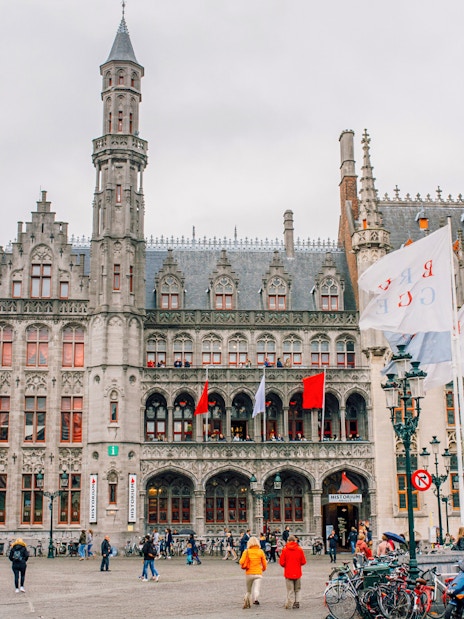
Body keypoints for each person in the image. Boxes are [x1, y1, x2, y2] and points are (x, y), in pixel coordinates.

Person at [279, 534, 307, 609]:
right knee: (297, 589)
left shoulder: (284, 550)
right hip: (297, 572)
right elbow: (303, 562)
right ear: (295, 541)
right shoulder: (299, 549)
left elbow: (282, 563)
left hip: (288, 572)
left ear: (288, 541)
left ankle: (290, 603)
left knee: (290, 589)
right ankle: (297, 602)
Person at [239, 536, 267, 608]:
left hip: (249, 573)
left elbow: (241, 561)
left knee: (248, 590)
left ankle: (247, 601)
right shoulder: (260, 551)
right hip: (258, 572)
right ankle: (255, 599)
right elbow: (264, 563)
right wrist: (263, 568)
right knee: (257, 588)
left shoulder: (246, 551)